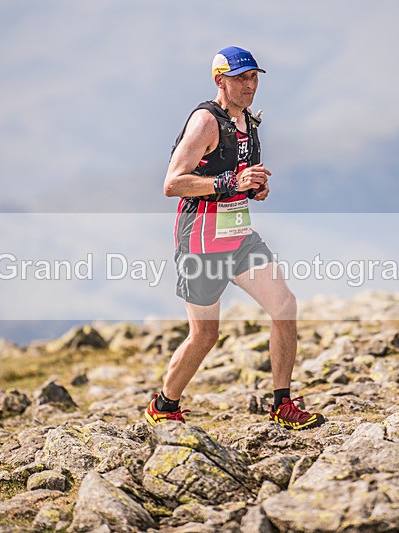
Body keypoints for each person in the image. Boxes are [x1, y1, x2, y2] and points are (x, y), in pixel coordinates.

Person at [144, 46, 325, 430]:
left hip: (239, 236)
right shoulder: (205, 122)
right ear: (219, 80)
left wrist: (255, 190)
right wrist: (230, 182)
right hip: (201, 241)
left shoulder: (249, 123)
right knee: (205, 335)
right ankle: (164, 404)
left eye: (254, 77)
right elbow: (172, 183)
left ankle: (282, 403)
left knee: (284, 306)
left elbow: (240, 181)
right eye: (241, 78)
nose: (250, 85)